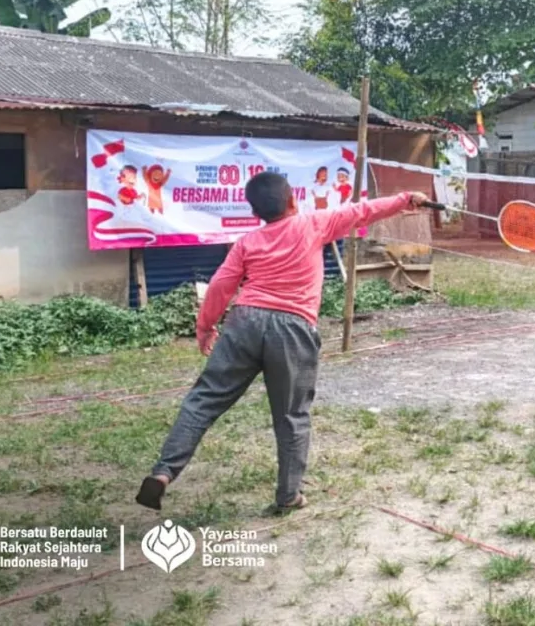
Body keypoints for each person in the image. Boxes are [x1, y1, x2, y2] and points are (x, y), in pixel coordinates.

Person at [136, 171, 428, 512]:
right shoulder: (313, 224)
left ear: (255, 212)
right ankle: (288, 496)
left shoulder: (247, 241)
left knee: (202, 402)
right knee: (291, 415)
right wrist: (405, 199)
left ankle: (162, 473)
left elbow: (220, 285)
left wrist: (205, 327)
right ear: (293, 200)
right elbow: (363, 211)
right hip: (292, 328)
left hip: (244, 322)